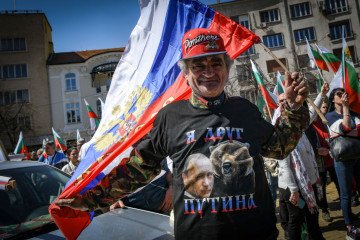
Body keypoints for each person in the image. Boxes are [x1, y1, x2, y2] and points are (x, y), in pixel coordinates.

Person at [55, 28, 310, 240]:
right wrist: (90, 200)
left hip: (256, 234)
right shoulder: (170, 117)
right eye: (198, 66)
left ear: (226, 67)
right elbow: (137, 169)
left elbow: (278, 148)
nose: (208, 72)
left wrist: (295, 109)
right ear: (186, 74)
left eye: (215, 63)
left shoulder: (245, 109)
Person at [276, 87, 327, 240]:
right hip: (292, 187)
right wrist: (293, 190)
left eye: (287, 99)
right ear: (278, 104)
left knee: (312, 215)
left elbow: (311, 114)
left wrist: (322, 94)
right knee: (295, 221)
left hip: (308, 183)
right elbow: (284, 163)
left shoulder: (297, 125)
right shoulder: (279, 126)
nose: (285, 103)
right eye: (282, 101)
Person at [326, 88, 360, 239]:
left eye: (344, 93)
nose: (343, 96)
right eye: (339, 94)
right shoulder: (329, 116)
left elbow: (356, 131)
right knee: (346, 193)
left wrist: (347, 131)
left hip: (357, 156)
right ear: (333, 99)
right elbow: (346, 127)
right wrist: (346, 109)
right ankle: (349, 225)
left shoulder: (355, 114)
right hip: (342, 160)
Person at [311, 97, 340, 222]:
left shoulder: (328, 121)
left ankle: (347, 207)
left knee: (339, 183)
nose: (322, 110)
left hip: (333, 159)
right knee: (321, 188)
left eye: (324, 107)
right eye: (320, 107)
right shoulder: (310, 125)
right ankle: (324, 209)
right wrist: (317, 151)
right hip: (319, 163)